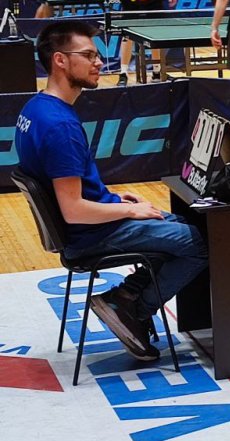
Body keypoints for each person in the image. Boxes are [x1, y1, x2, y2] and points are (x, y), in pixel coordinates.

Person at [14, 20, 208, 361]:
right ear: (60, 60)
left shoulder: (35, 108)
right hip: (90, 235)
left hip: (90, 226)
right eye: (89, 55)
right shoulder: (60, 127)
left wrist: (116, 200)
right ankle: (129, 308)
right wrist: (129, 210)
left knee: (176, 223)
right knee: (199, 243)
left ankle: (127, 296)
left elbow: (71, 193)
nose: (99, 62)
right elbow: (73, 210)